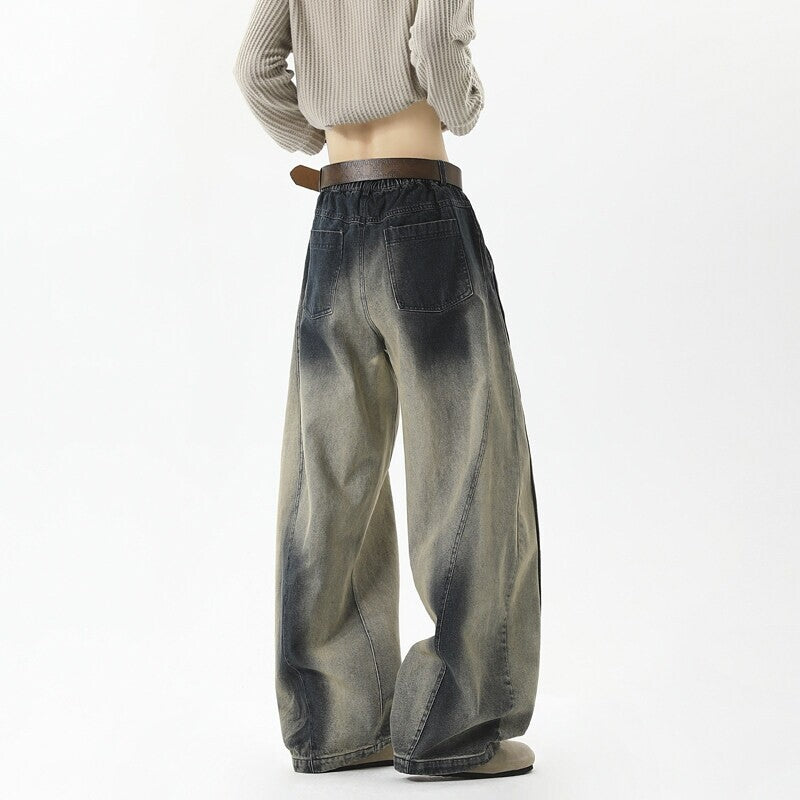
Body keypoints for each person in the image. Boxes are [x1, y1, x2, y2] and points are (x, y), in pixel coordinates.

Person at [233, 0, 541, 779]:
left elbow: (254, 68)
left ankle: (333, 724)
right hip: (422, 212)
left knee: (328, 478)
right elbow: (435, 44)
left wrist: (322, 132)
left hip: (334, 213)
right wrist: (464, 104)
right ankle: (451, 729)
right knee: (467, 468)